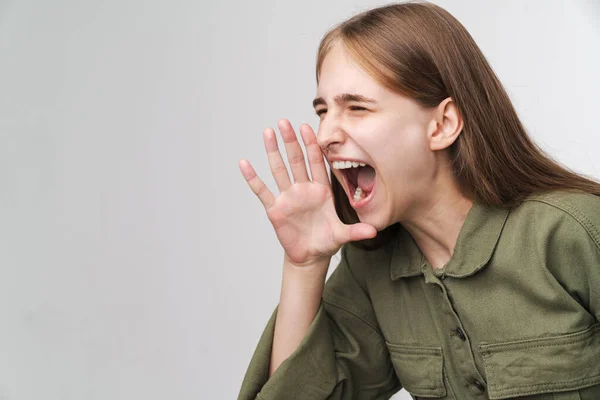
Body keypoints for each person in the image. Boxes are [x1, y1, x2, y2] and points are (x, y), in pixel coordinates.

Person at [237, 1, 600, 399]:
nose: (325, 135)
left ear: (442, 125)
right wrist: (303, 265)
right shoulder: (370, 270)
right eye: (323, 111)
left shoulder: (573, 231)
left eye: (356, 107)